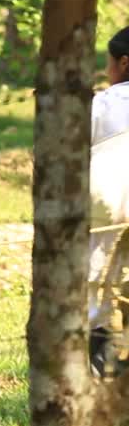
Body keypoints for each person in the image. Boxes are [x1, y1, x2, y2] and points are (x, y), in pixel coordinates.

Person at [88, 26, 129, 375]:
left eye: (109, 63)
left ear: (124, 63)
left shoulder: (102, 104)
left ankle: (104, 371)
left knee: (101, 279)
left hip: (109, 201)